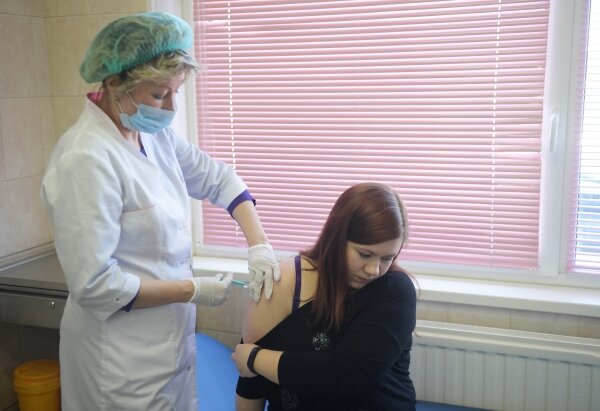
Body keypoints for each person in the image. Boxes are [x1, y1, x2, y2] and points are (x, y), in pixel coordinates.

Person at [40, 11, 280, 411]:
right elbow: (95, 285)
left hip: (167, 352)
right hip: (118, 361)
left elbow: (219, 179)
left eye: (175, 93)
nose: (170, 107)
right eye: (158, 95)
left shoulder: (154, 136)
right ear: (115, 83)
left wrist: (260, 246)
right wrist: (192, 289)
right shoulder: (85, 158)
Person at [231, 182, 417, 411]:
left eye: (387, 258)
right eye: (364, 254)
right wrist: (251, 360)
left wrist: (255, 359)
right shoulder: (286, 281)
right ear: (337, 238)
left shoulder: (394, 291)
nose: (374, 270)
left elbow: (345, 374)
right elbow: (250, 380)